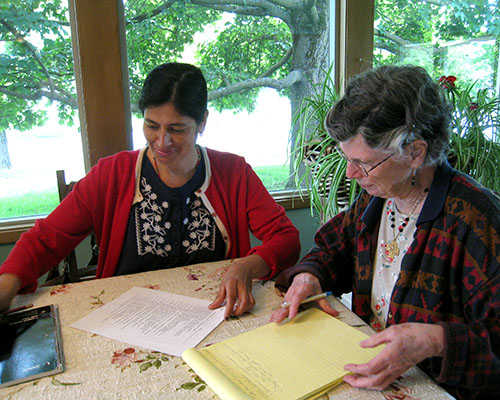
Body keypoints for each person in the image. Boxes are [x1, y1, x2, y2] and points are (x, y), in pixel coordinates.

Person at [0, 62, 300, 318]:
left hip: (213, 313)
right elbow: (47, 238)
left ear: (202, 122)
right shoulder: (112, 174)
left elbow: (286, 238)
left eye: (177, 129)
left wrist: (247, 266)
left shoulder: (233, 172)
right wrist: (7, 284)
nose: (161, 141)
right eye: (151, 125)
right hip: (128, 317)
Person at [270, 65, 500, 399]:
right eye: (346, 157)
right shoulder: (379, 198)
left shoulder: (478, 221)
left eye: (363, 162)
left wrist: (434, 341)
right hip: (374, 376)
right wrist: (311, 277)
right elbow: (333, 249)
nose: (350, 173)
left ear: (415, 153)